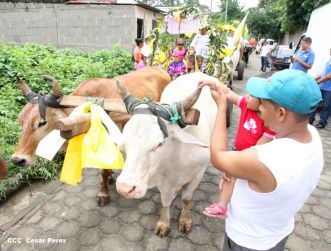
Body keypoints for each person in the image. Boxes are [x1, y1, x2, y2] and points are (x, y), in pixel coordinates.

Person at [198, 69, 323, 251]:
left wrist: (222, 108)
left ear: (281, 113)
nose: (259, 109)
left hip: (247, 241)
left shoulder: (266, 159)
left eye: (263, 104)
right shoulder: (312, 136)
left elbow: (217, 158)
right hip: (278, 232)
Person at [203, 85, 275, 219]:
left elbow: (259, 148)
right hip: (236, 151)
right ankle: (222, 206)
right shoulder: (246, 105)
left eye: (252, 96)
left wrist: (239, 161)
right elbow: (229, 93)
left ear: (263, 104)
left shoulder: (269, 123)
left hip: (249, 157)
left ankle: (237, 206)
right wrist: (212, 83)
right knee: (229, 178)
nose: (246, 96)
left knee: (237, 179)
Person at [309, 48, 331, 129]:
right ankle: (311, 119)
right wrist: (315, 78)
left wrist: (319, 81)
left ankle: (322, 123)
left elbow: (329, 75)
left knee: (326, 107)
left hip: (329, 89)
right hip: (322, 86)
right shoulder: (329, 60)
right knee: (314, 102)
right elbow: (324, 73)